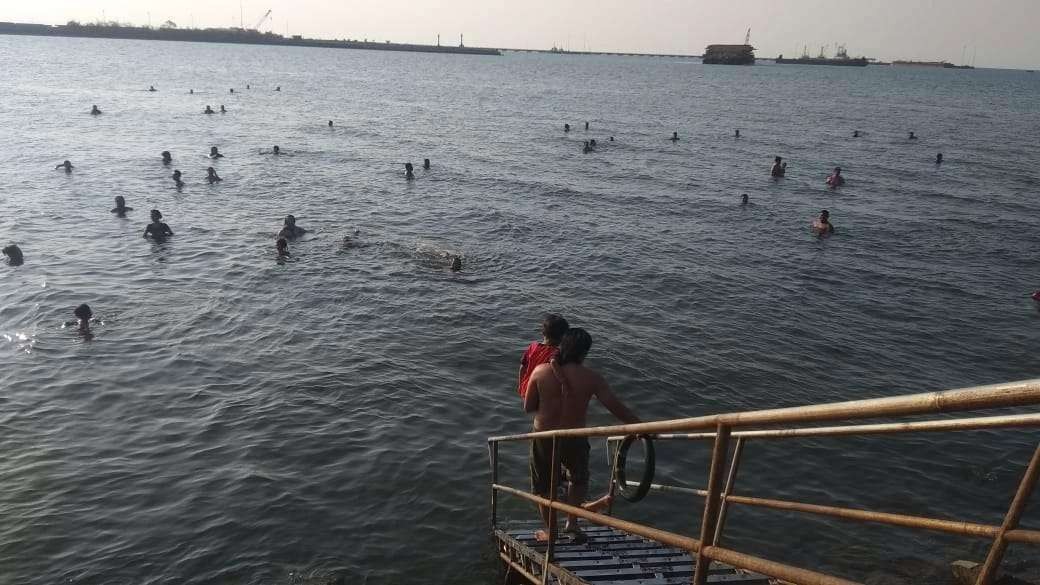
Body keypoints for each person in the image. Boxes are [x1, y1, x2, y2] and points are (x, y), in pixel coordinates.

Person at [524, 328, 640, 542]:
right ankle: (572, 523)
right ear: (584, 353)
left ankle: (551, 532)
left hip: (544, 436)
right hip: (575, 436)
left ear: (561, 347)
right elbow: (616, 407)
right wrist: (641, 427)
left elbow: (528, 407)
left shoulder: (539, 371)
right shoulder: (592, 378)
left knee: (544, 487)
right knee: (578, 480)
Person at [518, 314, 569, 399]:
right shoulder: (556, 352)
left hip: (526, 389)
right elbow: (554, 363)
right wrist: (564, 382)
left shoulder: (532, 347)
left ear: (542, 332)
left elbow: (522, 367)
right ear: (563, 337)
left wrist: (521, 385)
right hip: (539, 392)